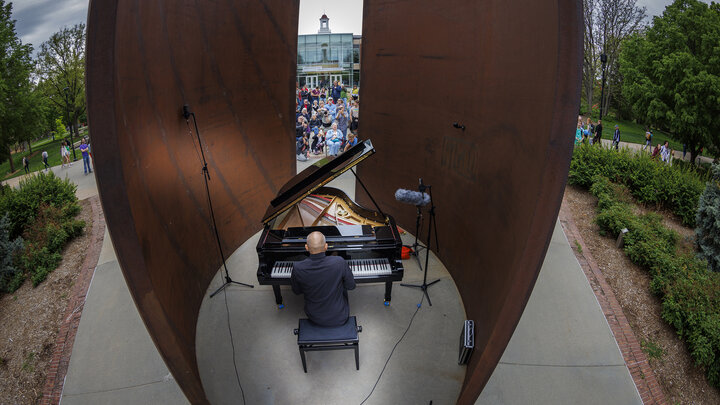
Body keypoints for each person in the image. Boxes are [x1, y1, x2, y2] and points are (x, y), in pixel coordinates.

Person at [291, 231, 356, 326]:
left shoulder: (298, 267)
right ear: (326, 246)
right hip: (340, 315)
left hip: (314, 317)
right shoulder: (339, 262)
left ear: (306, 247)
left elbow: (297, 291)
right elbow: (351, 286)